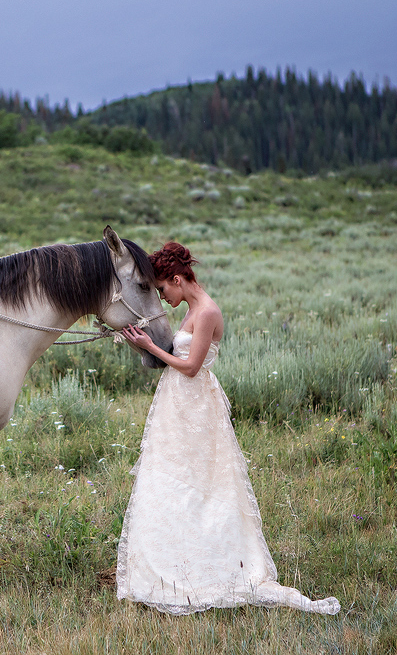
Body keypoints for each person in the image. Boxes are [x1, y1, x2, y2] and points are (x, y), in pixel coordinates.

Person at [117, 241, 340, 616]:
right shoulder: (190, 309)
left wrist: (151, 349)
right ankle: (167, 567)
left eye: (162, 290)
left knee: (201, 484)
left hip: (196, 403)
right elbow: (176, 356)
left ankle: (206, 571)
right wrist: (138, 337)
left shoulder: (206, 312)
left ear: (176, 279)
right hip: (175, 402)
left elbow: (190, 367)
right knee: (171, 479)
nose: (163, 297)